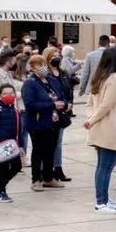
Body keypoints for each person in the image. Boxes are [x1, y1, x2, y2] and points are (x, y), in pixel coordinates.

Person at [84, 47, 116, 214]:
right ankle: (101, 202)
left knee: (102, 166)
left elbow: (90, 105)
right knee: (105, 167)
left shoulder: (99, 77)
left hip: (101, 127)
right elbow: (106, 105)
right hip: (111, 128)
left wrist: (91, 119)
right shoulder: (115, 78)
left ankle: (104, 199)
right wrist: (92, 120)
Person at [22, 55, 68, 192]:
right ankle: (36, 179)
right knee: (39, 150)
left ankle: (49, 178)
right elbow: (30, 105)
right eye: (39, 65)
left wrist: (64, 104)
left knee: (50, 149)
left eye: (43, 64)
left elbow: (62, 95)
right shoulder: (30, 83)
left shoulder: (52, 80)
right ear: (32, 68)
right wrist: (52, 105)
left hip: (54, 121)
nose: (43, 67)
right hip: (38, 122)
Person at [42, 46, 75, 184]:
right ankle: (45, 170)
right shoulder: (45, 74)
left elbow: (68, 89)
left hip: (62, 110)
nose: (56, 57)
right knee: (47, 142)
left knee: (58, 143)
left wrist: (69, 104)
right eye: (53, 55)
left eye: (58, 54)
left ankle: (58, 167)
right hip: (50, 110)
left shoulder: (63, 72)